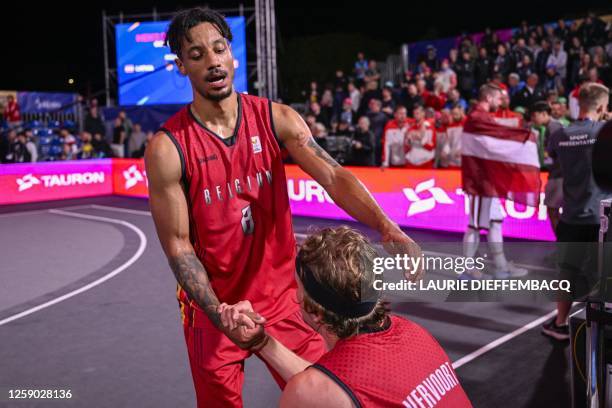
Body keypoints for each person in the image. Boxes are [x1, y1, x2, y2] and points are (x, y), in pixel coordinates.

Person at [145, 8, 420, 407]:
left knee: (325, 396)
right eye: (197, 54)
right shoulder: (168, 148)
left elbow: (333, 176)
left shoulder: (276, 119)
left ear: (232, 56)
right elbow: (179, 246)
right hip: (214, 311)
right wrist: (219, 312)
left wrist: (386, 225)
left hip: (282, 299)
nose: (212, 61)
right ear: (182, 66)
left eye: (218, 49)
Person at [217, 227, 472, 408]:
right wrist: (262, 343)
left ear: (315, 311)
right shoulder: (413, 333)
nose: (294, 296)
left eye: (298, 288)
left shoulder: (312, 393)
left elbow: (322, 392)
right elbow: (336, 388)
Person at [542, 82, 611, 341]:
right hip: (601, 217)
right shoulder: (605, 130)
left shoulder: (560, 134)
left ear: (578, 104)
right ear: (603, 106)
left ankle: (561, 322)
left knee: (567, 272)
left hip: (571, 215)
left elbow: (553, 157)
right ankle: (601, 327)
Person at [461, 84, 531, 279]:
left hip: (488, 181)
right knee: (474, 224)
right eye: (499, 99)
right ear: (489, 98)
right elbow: (498, 137)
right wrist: (522, 134)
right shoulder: (477, 117)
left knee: (495, 222)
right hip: (478, 182)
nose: (500, 103)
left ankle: (501, 266)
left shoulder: (483, 118)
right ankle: (467, 268)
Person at [530, 101, 564, 236]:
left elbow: (555, 154)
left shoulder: (554, 127)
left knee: (552, 210)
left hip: (559, 175)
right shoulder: (552, 127)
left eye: (535, 115)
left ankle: (562, 249)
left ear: (544, 114)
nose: (533, 119)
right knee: (553, 210)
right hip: (558, 174)